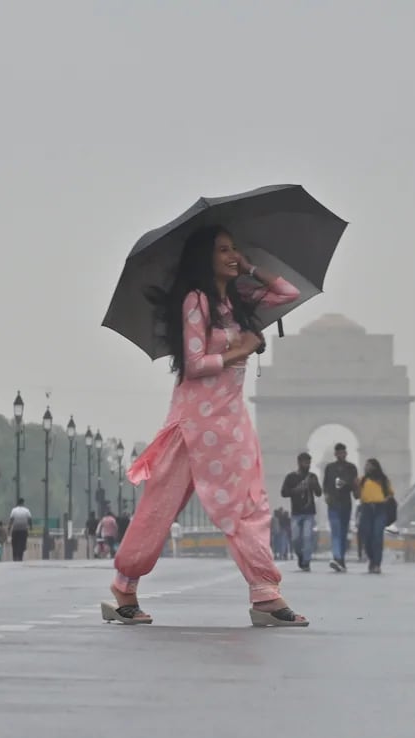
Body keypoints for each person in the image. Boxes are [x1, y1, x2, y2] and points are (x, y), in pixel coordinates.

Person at [105, 225, 308, 627]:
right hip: (194, 422)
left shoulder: (238, 299)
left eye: (235, 248)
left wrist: (250, 269)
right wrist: (244, 349)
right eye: (223, 251)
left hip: (230, 421)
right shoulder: (195, 301)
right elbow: (195, 365)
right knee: (159, 509)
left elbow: (289, 294)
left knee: (249, 504)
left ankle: (265, 593)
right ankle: (123, 586)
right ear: (204, 258)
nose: (232, 255)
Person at [281, 452, 322, 571]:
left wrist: (314, 485)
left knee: (307, 536)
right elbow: (283, 493)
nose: (308, 465)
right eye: (305, 462)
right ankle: (300, 555)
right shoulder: (291, 477)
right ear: (299, 462)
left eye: (309, 462)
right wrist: (296, 490)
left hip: (309, 512)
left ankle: (306, 561)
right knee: (295, 538)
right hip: (296, 513)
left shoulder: (312, 476)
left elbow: (319, 493)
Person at [322, 443, 359, 572]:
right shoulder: (329, 468)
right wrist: (326, 495)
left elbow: (355, 485)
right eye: (339, 452)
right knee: (336, 531)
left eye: (343, 452)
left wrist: (347, 484)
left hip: (345, 504)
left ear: (345, 453)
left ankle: (341, 559)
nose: (341, 454)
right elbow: (325, 484)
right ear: (335, 454)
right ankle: (337, 558)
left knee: (343, 533)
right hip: (333, 503)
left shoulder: (352, 468)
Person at [357, 458, 395, 574]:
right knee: (367, 537)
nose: (366, 467)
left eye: (369, 465)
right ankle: (372, 559)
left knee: (377, 536)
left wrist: (384, 501)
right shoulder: (362, 480)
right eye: (366, 465)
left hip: (380, 509)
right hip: (366, 509)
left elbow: (390, 494)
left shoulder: (383, 480)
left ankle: (377, 564)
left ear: (375, 466)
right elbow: (357, 494)